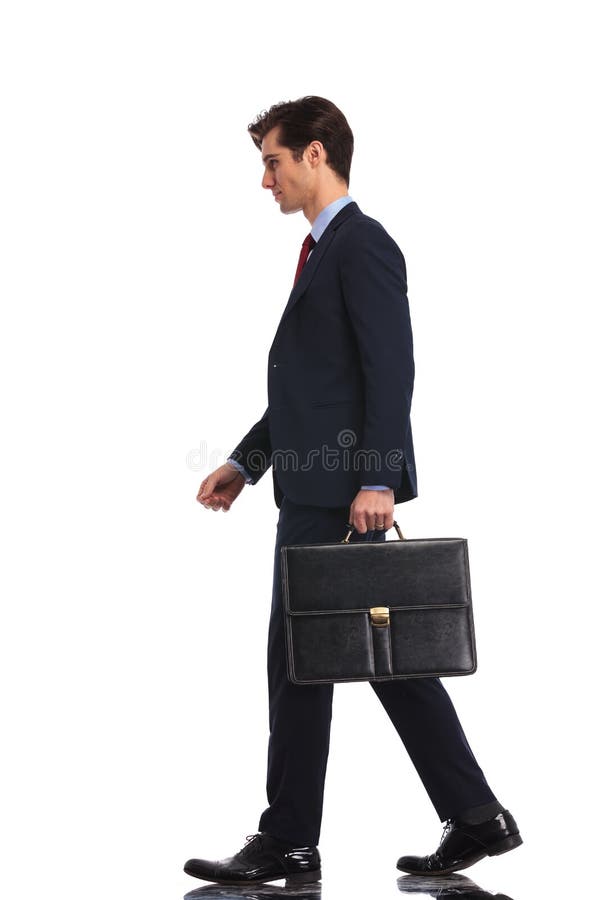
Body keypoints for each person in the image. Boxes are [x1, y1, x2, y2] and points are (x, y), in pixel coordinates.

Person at [184, 96, 522, 886]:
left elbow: (390, 367)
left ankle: (290, 838)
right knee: (381, 658)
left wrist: (377, 476)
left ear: (314, 154)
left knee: (301, 659)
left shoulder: (361, 245)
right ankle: (476, 816)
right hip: (313, 487)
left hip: (338, 494)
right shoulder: (321, 252)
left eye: (272, 161)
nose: (264, 181)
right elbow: (312, 388)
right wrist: (246, 461)